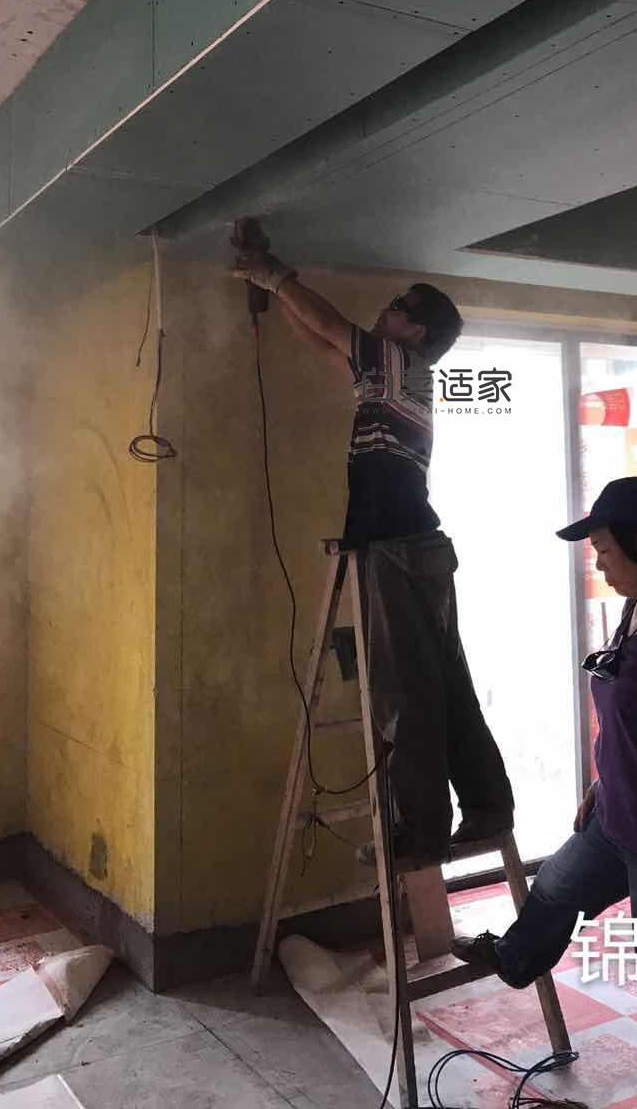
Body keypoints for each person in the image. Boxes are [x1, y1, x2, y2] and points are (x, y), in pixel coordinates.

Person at [453, 476, 637, 1109]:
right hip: (618, 819)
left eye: (606, 552)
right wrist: (601, 780)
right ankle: (514, 958)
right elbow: (636, 716)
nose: (600, 565)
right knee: (556, 887)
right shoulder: (636, 607)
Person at [232, 244, 514, 866]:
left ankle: (419, 833)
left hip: (397, 548)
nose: (385, 310)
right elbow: (323, 339)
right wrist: (275, 293)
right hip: (420, 547)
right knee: (447, 684)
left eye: (398, 306)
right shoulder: (396, 373)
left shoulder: (399, 361)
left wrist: (276, 276)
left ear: (417, 331)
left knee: (405, 694)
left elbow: (331, 326)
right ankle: (489, 804)